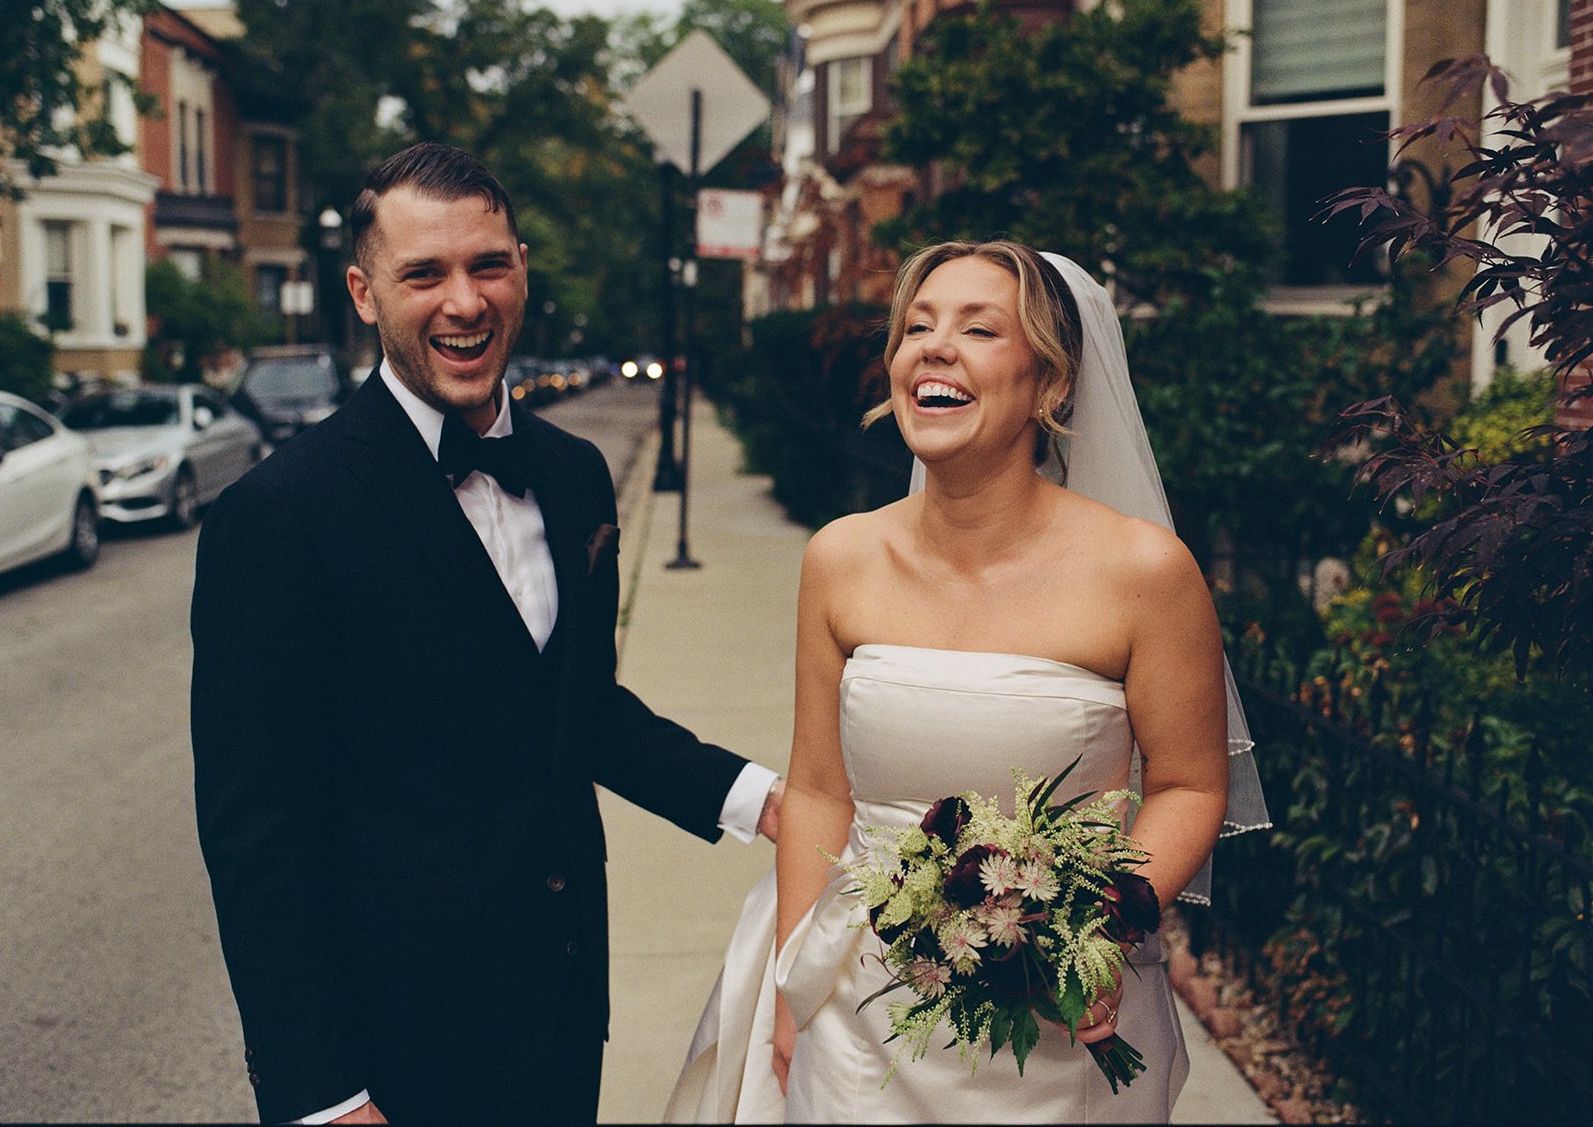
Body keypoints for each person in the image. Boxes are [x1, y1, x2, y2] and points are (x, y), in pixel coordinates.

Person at [191, 142, 780, 1125]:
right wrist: (320, 1092)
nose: (464, 301)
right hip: (388, 1051)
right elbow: (258, 835)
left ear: (520, 271)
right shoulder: (279, 515)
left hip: (558, 1009)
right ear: (364, 292)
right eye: (424, 272)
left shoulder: (577, 472)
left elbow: (573, 708)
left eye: (487, 264)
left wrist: (760, 797)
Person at [667, 242, 1267, 1123]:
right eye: (916, 327)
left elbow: (1188, 783)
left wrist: (1093, 934)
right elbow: (822, 792)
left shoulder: (1144, 571)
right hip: (858, 1013)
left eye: (978, 328)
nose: (933, 347)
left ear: (1052, 386)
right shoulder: (841, 559)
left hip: (1060, 1025)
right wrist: (792, 991)